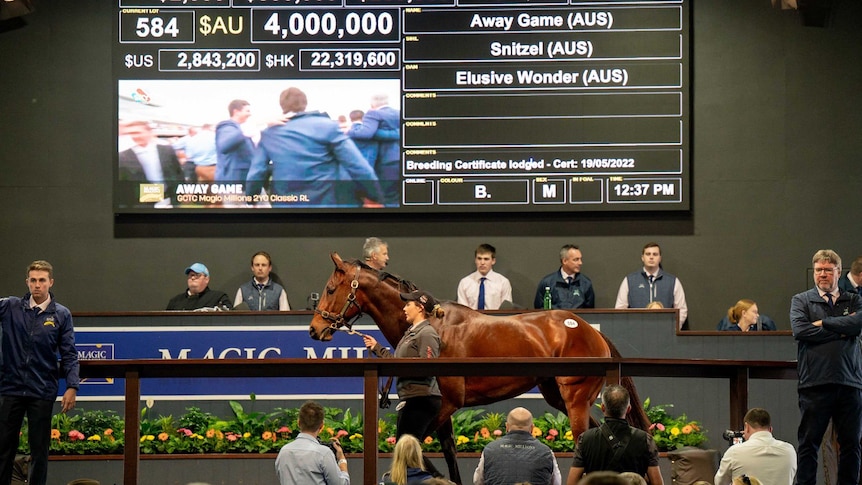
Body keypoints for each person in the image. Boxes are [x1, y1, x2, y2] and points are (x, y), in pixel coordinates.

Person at [0, 260, 80, 485]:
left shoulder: (62, 314)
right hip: (10, 388)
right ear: (27, 282)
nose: (37, 285)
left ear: (50, 282)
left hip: (42, 389)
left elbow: (69, 354)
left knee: (39, 451)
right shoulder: (10, 306)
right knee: (3, 448)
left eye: (42, 280)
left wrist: (72, 386)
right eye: (33, 280)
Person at [791, 249, 862, 485]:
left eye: (828, 270)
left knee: (851, 444)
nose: (823, 274)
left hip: (849, 382)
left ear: (838, 272)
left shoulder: (853, 299)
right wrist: (841, 330)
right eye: (819, 270)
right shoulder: (801, 300)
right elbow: (801, 331)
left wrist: (824, 323)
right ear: (814, 272)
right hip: (815, 383)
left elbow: (858, 324)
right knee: (808, 444)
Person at [245, 87, 383, 208]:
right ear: (305, 103)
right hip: (326, 202)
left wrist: (251, 198)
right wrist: (374, 196)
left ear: (282, 105)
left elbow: (257, 172)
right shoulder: (328, 126)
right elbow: (357, 165)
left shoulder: (270, 133)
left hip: (285, 203)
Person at [362, 290, 443, 474]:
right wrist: (377, 348)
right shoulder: (411, 333)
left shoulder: (427, 333)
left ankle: (439, 481)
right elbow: (397, 363)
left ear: (420, 308)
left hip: (422, 399)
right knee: (406, 450)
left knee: (406, 449)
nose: (404, 308)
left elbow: (428, 367)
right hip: (413, 398)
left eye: (408, 305)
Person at [568, 384, 663, 485]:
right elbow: (657, 482)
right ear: (628, 409)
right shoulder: (645, 439)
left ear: (602, 407)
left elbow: (572, 482)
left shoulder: (585, 439)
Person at [473, 407, 562, 485]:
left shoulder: (490, 450)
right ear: (532, 428)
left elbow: (477, 481)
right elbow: (557, 482)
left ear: (507, 427)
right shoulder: (546, 452)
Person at [713, 408, 796, 485]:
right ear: (770, 430)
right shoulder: (789, 450)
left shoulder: (734, 452)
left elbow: (720, 482)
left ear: (747, 427)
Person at [614, 242, 688, 329]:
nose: (651, 257)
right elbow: (619, 309)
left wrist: (673, 329)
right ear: (642, 257)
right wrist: (629, 329)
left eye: (655, 254)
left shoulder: (673, 281)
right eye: (648, 254)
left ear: (660, 258)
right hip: (636, 332)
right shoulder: (629, 280)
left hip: (665, 333)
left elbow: (682, 310)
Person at [274, 400, 349, 485]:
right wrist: (342, 460)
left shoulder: (284, 451)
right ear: (321, 426)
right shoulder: (324, 453)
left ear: (298, 423)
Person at [347, 93, 401, 206]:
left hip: (385, 162)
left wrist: (350, 131)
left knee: (388, 197)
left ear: (372, 104)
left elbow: (366, 134)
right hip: (401, 159)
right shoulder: (399, 113)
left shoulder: (373, 113)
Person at [118, 120, 184, 205]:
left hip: (169, 198)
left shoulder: (167, 150)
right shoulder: (123, 157)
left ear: (149, 132)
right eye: (131, 133)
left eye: (138, 132)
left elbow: (178, 173)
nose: (135, 136)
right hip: (141, 203)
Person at [533, 245, 595, 309]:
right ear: (564, 261)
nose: (580, 263)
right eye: (576, 260)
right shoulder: (547, 283)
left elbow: (590, 311)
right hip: (554, 319)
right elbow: (539, 308)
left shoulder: (586, 283)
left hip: (576, 318)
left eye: (580, 259)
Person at [457, 243, 513, 310]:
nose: (482, 262)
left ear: (493, 261)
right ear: (475, 260)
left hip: (495, 319)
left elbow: (506, 311)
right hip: (472, 320)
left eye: (486, 259)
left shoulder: (503, 282)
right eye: (479, 258)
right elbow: (462, 311)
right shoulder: (465, 283)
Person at [215, 99, 255, 184]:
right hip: (233, 182)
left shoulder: (238, 129)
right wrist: (244, 133)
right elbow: (224, 145)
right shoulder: (226, 127)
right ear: (236, 112)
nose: (250, 114)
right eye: (247, 111)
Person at [166, 263, 233, 311]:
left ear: (206, 279)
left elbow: (229, 319)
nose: (193, 278)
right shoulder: (175, 301)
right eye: (190, 275)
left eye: (197, 275)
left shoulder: (218, 298)